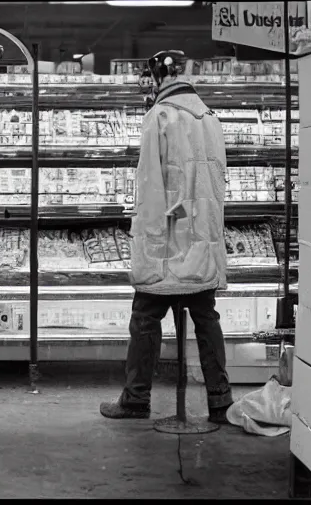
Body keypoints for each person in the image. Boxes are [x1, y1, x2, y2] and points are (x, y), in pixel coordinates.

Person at [100, 50, 233, 423]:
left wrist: (149, 253)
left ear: (157, 78)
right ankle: (220, 402)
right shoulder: (210, 118)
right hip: (202, 241)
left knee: (145, 315)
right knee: (206, 317)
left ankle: (136, 399)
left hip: (170, 245)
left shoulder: (158, 117)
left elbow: (151, 192)